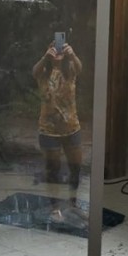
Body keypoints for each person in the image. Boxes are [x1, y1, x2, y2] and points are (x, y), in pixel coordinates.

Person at [32, 39, 84, 189]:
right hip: (48, 129)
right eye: (53, 47)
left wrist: (72, 55)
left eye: (60, 47)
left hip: (71, 127)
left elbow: (79, 68)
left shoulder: (70, 70)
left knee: (75, 169)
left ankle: (73, 199)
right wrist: (45, 57)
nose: (58, 50)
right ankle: (54, 202)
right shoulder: (44, 72)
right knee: (52, 171)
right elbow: (34, 72)